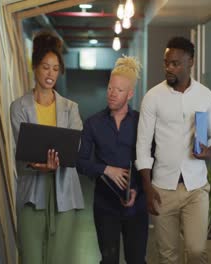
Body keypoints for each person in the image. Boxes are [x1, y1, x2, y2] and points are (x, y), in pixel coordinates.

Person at [135, 36, 211, 264]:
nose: (169, 68)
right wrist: (147, 187)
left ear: (190, 62)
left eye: (175, 63)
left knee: (196, 251)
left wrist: (209, 151)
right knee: (168, 256)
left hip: (196, 188)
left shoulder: (205, 95)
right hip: (162, 189)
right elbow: (143, 145)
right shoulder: (152, 97)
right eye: (167, 63)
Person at [10, 31, 84, 264]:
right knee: (31, 257)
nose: (50, 73)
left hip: (64, 191)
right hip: (32, 191)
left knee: (59, 258)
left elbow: (75, 146)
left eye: (55, 68)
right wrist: (38, 165)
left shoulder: (70, 108)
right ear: (35, 68)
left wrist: (56, 162)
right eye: (45, 67)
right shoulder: (19, 107)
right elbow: (20, 149)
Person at [77, 56, 148, 264]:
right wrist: (106, 169)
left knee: (137, 260)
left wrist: (137, 190)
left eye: (118, 90)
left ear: (130, 94)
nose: (112, 94)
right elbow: (80, 162)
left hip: (137, 204)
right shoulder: (93, 123)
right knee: (108, 261)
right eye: (110, 88)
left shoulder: (141, 122)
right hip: (105, 204)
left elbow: (151, 160)